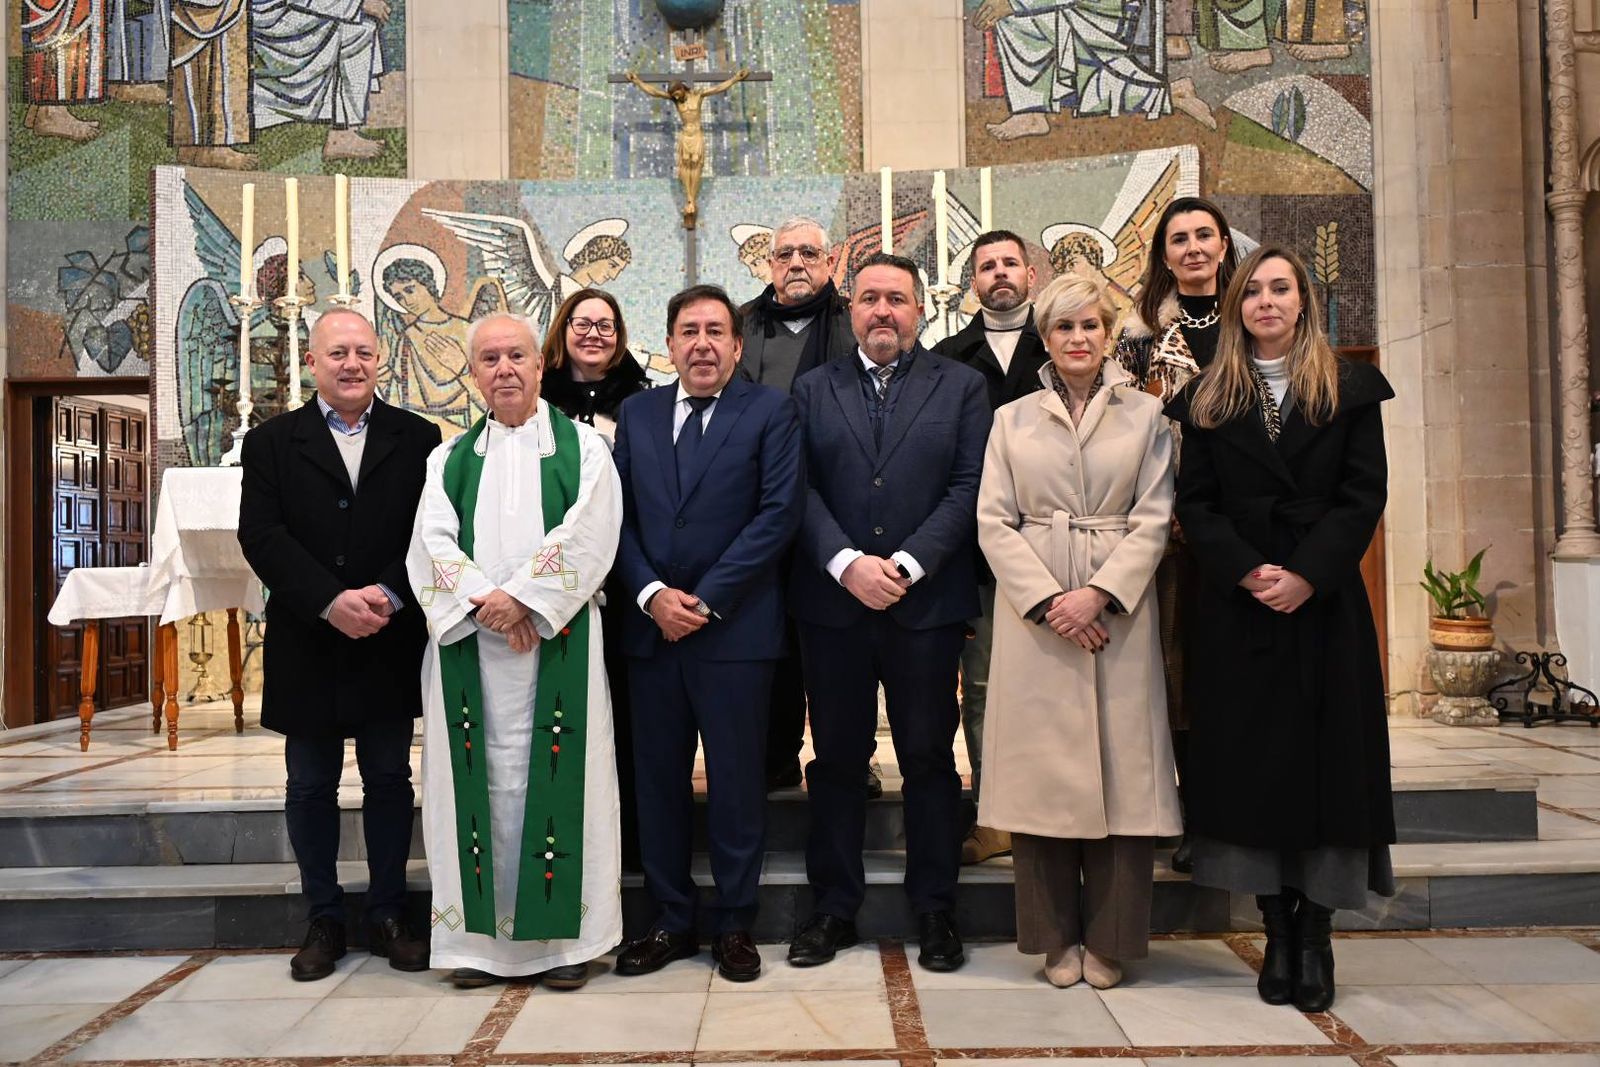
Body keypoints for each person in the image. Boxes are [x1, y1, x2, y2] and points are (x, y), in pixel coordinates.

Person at [1165, 246, 1396, 1013]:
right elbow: (1195, 504)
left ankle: (1318, 931)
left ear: (1304, 301)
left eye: (1281, 288)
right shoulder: (1207, 398)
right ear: (1237, 307)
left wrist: (1306, 573)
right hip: (1240, 608)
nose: (1266, 301)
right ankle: (1274, 929)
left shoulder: (1350, 389)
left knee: (1332, 766)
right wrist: (1250, 570)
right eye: (1253, 291)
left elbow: (1363, 495)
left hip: (1324, 605)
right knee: (1250, 767)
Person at [407, 311, 624, 991]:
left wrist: (526, 601)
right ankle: (477, 947)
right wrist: (489, 603)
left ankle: (563, 946)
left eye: (517, 357)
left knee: (560, 788)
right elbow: (430, 544)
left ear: (541, 364)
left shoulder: (584, 449)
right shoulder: (447, 459)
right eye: (490, 359)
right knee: (479, 792)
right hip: (473, 646)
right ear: (474, 374)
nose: (505, 369)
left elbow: (590, 530)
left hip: (557, 646)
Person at [787, 253, 990, 973]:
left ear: (919, 309)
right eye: (868, 298)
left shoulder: (962, 387)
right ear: (851, 310)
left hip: (924, 604)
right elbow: (797, 489)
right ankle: (833, 906)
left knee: (931, 759)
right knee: (838, 759)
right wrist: (846, 563)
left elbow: (969, 486)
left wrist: (904, 564)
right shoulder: (812, 390)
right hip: (833, 606)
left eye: (896, 299)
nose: (882, 311)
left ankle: (935, 907)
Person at [976, 273, 1179, 991]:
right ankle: (1054, 937)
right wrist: (1048, 602)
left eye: (1090, 325)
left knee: (1125, 780)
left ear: (1109, 331)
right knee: (1042, 780)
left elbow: (1155, 517)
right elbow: (993, 521)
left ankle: (1113, 938)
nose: (1078, 339)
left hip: (1117, 614)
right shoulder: (1014, 419)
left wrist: (1098, 594)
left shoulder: (1146, 416)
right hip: (1038, 622)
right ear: (1046, 336)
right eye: (1063, 328)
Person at [237, 308, 441, 981]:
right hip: (309, 637)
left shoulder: (419, 438)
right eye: (338, 353)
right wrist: (329, 601)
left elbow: (431, 531)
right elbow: (261, 536)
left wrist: (386, 592)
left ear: (379, 358)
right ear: (311, 362)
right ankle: (323, 915)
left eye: (363, 351)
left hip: (388, 631)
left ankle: (387, 912)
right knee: (310, 782)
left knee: (389, 777)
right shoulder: (272, 443)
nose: (352, 363)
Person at [611, 285, 805, 982]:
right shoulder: (636, 412)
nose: (701, 343)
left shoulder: (772, 411)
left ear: (736, 344)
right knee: (658, 782)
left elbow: (778, 514)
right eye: (688, 330)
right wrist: (653, 593)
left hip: (736, 634)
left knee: (735, 784)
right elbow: (617, 518)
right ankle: (669, 918)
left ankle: (734, 922)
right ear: (667, 345)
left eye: (714, 331)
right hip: (652, 633)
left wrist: (708, 597)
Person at [1112, 195, 1240, 875]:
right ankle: (1188, 816)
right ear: (1163, 255)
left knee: (1239, 670)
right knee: (1178, 673)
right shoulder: (1138, 332)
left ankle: (1238, 810)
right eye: (1178, 239)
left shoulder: (1254, 320)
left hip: (1246, 519)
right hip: (1172, 522)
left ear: (1223, 244)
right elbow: (1124, 422)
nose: (1192, 248)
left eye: (1203, 236)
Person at [931, 229, 1048, 866]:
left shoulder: (1061, 343)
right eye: (986, 266)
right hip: (976, 549)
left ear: (1032, 273)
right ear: (972, 282)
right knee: (982, 686)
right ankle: (995, 815)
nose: (999, 273)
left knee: (1053, 682)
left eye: (1009, 263)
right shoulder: (948, 357)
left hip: (1057, 548)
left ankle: (1054, 811)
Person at [737, 216, 858, 794]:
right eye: (784, 254)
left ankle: (845, 764)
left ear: (830, 262)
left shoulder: (856, 322)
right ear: (769, 265)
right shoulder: (739, 326)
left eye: (809, 252)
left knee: (837, 648)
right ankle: (774, 757)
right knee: (772, 642)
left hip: (840, 513)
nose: (796, 264)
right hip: (756, 512)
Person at [538, 288, 649, 872]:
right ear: (563, 330)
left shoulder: (644, 399)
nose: (594, 335)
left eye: (607, 325)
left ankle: (625, 841)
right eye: (582, 323)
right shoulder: (532, 399)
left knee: (624, 711)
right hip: (550, 575)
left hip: (624, 577)